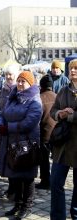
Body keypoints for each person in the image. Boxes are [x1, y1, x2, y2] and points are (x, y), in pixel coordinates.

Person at [0, 71, 42, 219]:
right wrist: (0, 123)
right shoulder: (13, 96)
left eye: (24, 81)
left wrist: (8, 128)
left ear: (30, 83)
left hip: (27, 144)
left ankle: (26, 206)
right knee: (14, 176)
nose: (20, 84)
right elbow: (3, 113)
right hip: (11, 143)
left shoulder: (35, 101)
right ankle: (17, 203)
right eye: (19, 81)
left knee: (27, 177)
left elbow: (29, 123)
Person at [50, 59, 77, 220]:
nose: (72, 71)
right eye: (71, 68)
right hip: (62, 146)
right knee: (55, 183)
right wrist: (59, 114)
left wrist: (71, 115)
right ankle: (57, 217)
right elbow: (53, 110)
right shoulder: (63, 91)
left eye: (75, 68)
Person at [0, 64, 20, 200]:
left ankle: (16, 190)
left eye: (11, 74)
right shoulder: (4, 89)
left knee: (14, 159)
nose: (8, 77)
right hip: (3, 130)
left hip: (14, 130)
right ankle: (11, 188)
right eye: (6, 75)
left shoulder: (19, 89)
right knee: (5, 159)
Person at [35, 75, 56, 190]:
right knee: (56, 160)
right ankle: (54, 180)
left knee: (44, 160)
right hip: (57, 134)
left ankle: (45, 181)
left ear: (42, 86)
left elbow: (36, 118)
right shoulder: (57, 96)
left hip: (45, 134)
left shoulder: (40, 98)